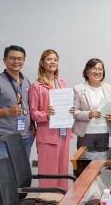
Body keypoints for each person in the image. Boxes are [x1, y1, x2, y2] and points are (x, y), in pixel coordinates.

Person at [0, 45, 34, 205]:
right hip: (2, 140)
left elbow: (27, 108)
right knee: (1, 180)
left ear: (24, 60)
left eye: (19, 58)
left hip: (24, 139)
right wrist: (7, 111)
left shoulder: (26, 81)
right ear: (5, 60)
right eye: (12, 58)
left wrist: (32, 126)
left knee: (19, 180)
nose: (16, 61)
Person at [29, 49, 74, 189]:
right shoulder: (37, 86)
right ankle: (47, 201)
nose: (52, 62)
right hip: (47, 135)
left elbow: (65, 105)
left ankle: (61, 201)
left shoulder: (61, 82)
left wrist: (70, 110)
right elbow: (33, 113)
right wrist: (46, 114)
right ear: (42, 63)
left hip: (63, 133)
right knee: (49, 174)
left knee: (62, 173)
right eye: (49, 59)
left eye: (55, 59)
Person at [72, 58, 111, 149]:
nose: (97, 72)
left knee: (101, 162)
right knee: (85, 163)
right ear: (87, 71)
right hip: (85, 134)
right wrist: (88, 114)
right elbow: (74, 112)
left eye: (100, 69)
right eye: (94, 68)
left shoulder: (109, 88)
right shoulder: (79, 89)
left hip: (104, 132)